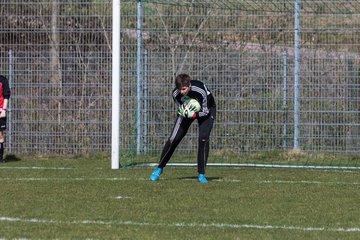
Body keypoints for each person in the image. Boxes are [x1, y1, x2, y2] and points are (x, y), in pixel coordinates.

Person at [150, 74, 216, 183]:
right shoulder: (176, 94)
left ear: (189, 85)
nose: (182, 92)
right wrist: (186, 112)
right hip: (188, 113)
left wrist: (194, 115)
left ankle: (201, 174)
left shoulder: (200, 91)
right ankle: (159, 169)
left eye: (184, 89)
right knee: (173, 139)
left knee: (203, 138)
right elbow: (181, 108)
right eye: (180, 89)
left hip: (207, 110)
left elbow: (205, 111)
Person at [0, 75, 10, 163]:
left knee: (0, 135)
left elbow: (6, 96)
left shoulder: (3, 80)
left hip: (0, 111)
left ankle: (0, 158)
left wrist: (4, 109)